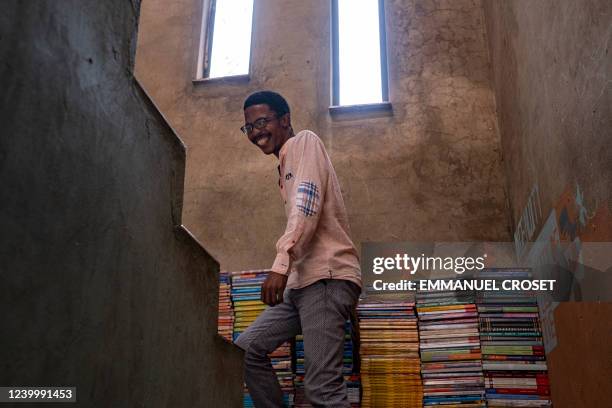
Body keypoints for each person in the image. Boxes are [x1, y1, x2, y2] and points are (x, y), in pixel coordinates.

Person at [234, 90, 362, 407]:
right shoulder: (284, 165)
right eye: (249, 127)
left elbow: (306, 205)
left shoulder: (304, 142)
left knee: (322, 389)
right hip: (303, 284)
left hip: (326, 278)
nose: (256, 132)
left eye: (262, 122)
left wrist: (281, 263)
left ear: (285, 120)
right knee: (247, 348)